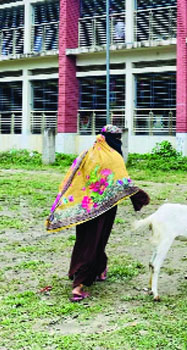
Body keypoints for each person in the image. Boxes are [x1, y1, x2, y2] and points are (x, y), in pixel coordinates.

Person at [46, 125, 150, 302]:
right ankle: (78, 285)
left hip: (85, 209)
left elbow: (73, 177)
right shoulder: (113, 157)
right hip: (105, 210)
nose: (119, 143)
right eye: (118, 139)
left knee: (87, 241)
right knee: (94, 242)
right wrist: (139, 196)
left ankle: (99, 268)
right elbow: (123, 182)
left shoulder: (87, 153)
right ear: (113, 139)